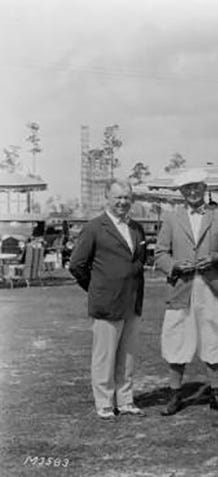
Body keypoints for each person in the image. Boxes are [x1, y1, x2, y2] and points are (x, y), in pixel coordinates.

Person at [154, 169, 218, 416]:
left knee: (215, 338)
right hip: (181, 288)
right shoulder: (171, 218)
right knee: (176, 339)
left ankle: (216, 394)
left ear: (204, 188)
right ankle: (175, 395)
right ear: (181, 192)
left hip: (212, 286)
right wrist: (175, 266)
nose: (192, 192)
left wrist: (214, 258)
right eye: (187, 188)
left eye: (197, 187)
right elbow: (160, 253)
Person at [69, 179, 146, 420]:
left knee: (128, 355)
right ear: (107, 198)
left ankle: (125, 400)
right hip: (106, 302)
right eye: (118, 197)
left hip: (132, 301)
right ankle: (104, 402)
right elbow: (76, 265)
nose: (123, 202)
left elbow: (139, 262)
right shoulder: (94, 227)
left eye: (126, 197)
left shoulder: (136, 228)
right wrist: (96, 288)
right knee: (104, 356)